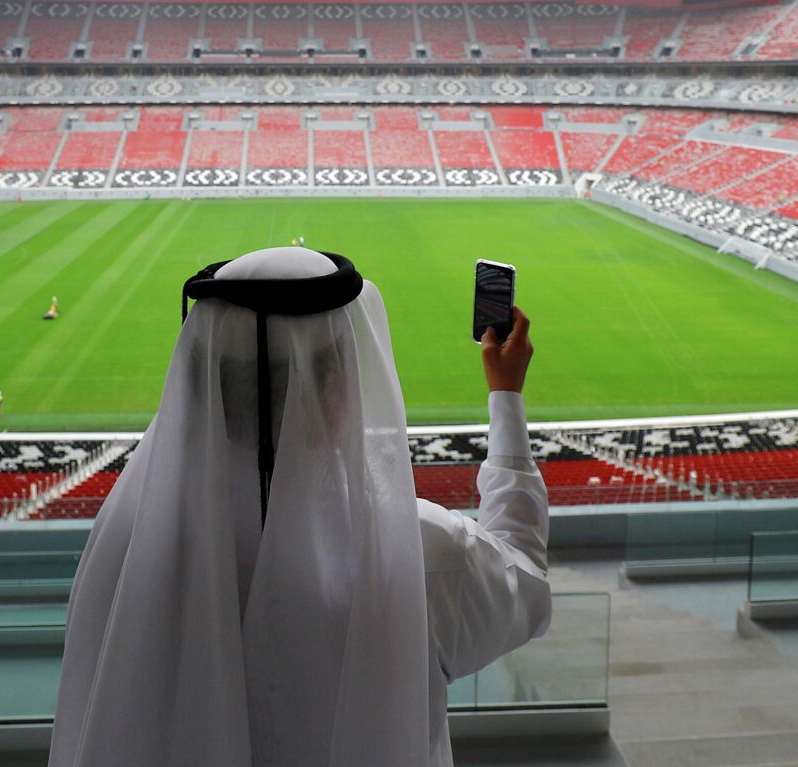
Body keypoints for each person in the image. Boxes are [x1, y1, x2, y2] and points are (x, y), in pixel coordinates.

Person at [49, 247, 547, 766]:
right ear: (333, 390)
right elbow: (526, 580)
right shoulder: (416, 555)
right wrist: (506, 398)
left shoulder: (125, 551)